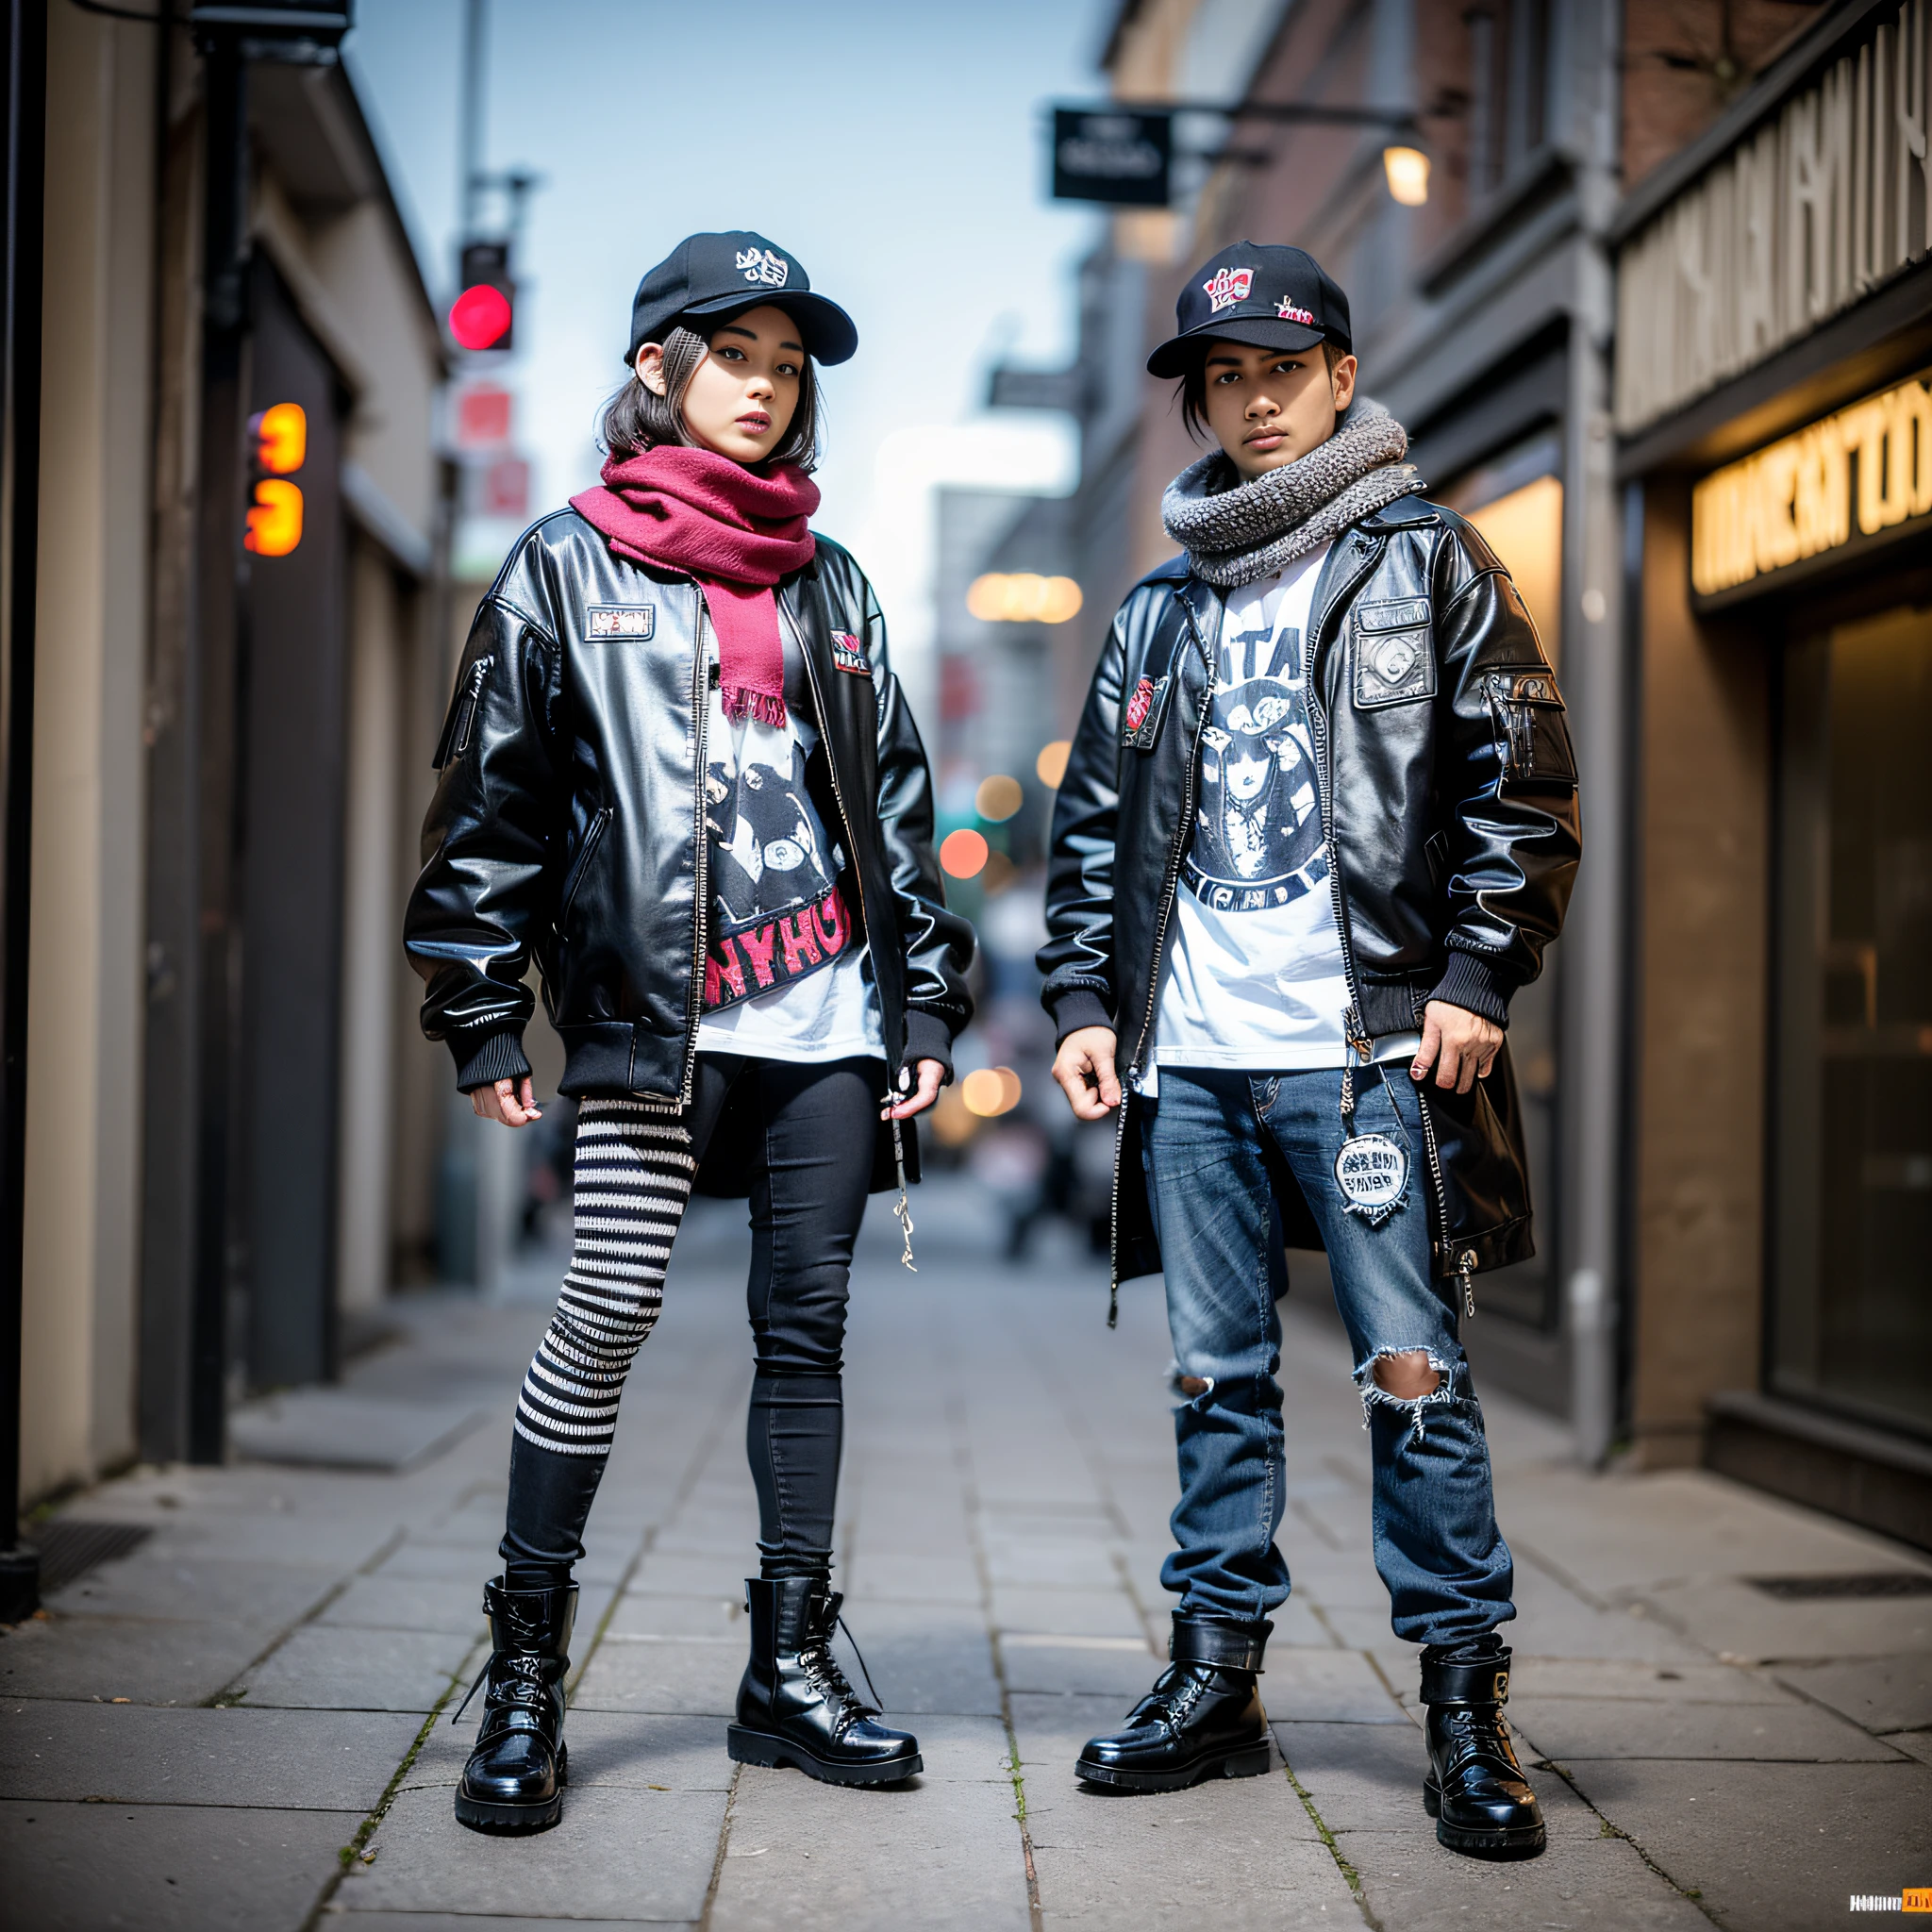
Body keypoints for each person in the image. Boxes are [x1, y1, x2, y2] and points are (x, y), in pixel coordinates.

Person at [406, 231, 974, 1833]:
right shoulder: (563, 566)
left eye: (790, 368)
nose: (769, 390)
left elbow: (901, 813)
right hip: (657, 1028)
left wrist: (921, 991)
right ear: (659, 366)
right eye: (741, 357)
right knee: (604, 1320)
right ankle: (524, 1679)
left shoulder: (834, 579)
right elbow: (491, 807)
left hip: (826, 1023)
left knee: (808, 1336)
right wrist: (479, 1006)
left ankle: (787, 1670)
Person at [1039, 243, 1579, 1858]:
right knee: (1216, 1382)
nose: (1253, 399)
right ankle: (1217, 1681)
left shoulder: (1431, 562)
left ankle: (1466, 1706)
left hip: (1369, 1053)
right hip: (1191, 1063)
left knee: (1412, 1378)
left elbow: (1524, 788)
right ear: (1201, 398)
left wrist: (1478, 974)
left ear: (1341, 373)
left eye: (1281, 368)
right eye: (1224, 376)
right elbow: (1093, 836)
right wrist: (1082, 1008)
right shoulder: (1158, 608)